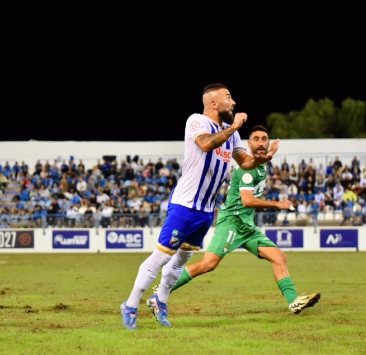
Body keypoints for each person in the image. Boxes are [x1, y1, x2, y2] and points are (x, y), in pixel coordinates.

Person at [120, 83, 279, 330]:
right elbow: (205, 144)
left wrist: (262, 157)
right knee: (162, 256)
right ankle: (130, 305)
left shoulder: (233, 134)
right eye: (228, 97)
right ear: (214, 103)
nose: (233, 102)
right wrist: (235, 126)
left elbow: (244, 163)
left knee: (182, 258)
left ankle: (160, 301)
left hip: (206, 211)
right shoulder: (197, 121)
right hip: (185, 205)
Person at [156, 125, 320, 317]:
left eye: (264, 139)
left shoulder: (262, 161)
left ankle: (294, 302)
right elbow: (247, 200)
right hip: (232, 222)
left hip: (247, 226)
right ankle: (161, 291)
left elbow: (266, 155)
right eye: (256, 139)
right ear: (248, 145)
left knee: (279, 257)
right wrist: (279, 204)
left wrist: (274, 149)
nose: (261, 143)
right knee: (208, 264)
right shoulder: (245, 171)